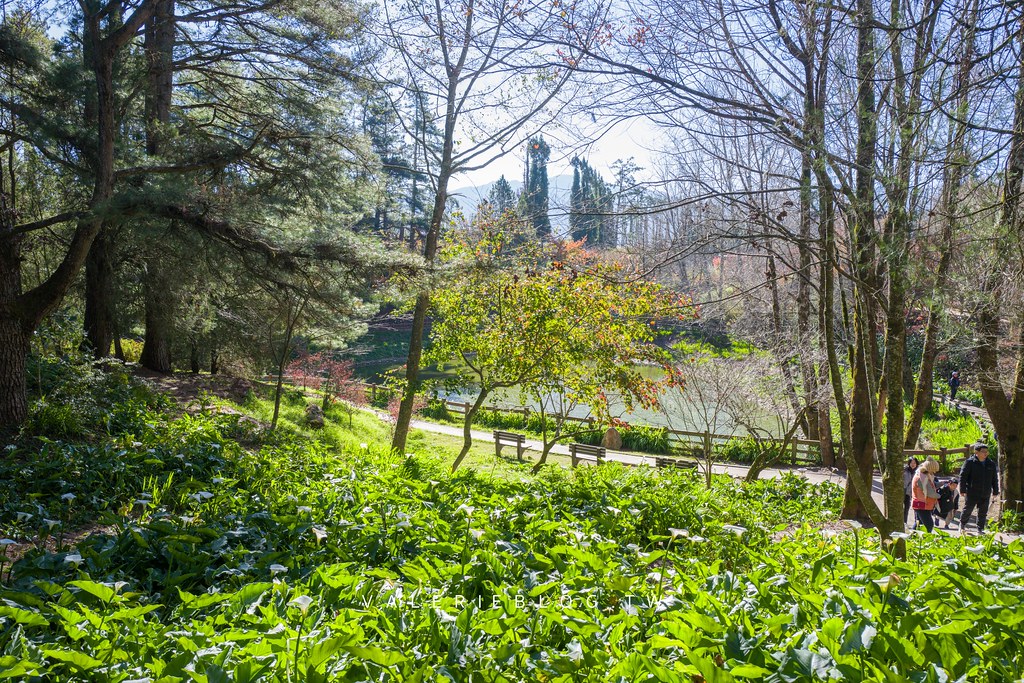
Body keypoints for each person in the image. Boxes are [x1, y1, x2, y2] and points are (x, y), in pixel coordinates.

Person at [959, 443, 999, 532]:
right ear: (976, 452)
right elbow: (963, 476)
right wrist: (962, 489)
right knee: (968, 509)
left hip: (985, 492)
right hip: (972, 491)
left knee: (983, 512)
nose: (985, 453)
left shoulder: (991, 464)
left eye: (986, 452)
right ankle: (962, 525)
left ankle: (980, 529)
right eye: (983, 451)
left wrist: (995, 491)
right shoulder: (970, 462)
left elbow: (994, 478)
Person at [911, 458, 941, 533]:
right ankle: (924, 539)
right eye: (933, 470)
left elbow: (932, 486)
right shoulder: (921, 478)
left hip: (923, 504)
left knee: (919, 523)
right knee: (929, 524)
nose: (934, 472)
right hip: (922, 505)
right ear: (928, 469)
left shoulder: (924, 475)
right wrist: (940, 496)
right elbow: (930, 493)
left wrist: (942, 483)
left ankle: (911, 538)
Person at [903, 457, 919, 526]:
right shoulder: (904, 470)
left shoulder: (918, 472)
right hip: (904, 491)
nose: (913, 464)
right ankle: (903, 522)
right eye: (911, 463)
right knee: (903, 508)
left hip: (912, 492)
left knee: (910, 507)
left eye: (914, 463)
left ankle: (908, 523)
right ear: (909, 463)